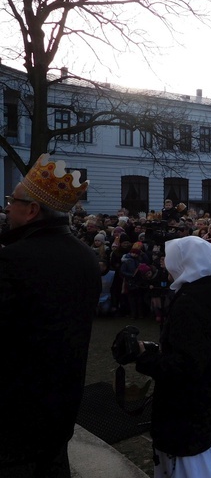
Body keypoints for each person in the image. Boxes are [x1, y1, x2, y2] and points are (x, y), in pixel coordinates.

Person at [0, 154, 101, 477]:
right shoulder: (86, 257)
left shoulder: (14, 260)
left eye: (11, 201)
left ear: (31, 210)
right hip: (63, 403)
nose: (6, 208)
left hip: (14, 413)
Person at [134, 235, 211, 478]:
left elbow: (186, 366)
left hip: (187, 411)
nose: (165, 266)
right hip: (205, 402)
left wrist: (145, 358)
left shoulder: (190, 304)